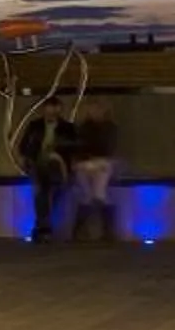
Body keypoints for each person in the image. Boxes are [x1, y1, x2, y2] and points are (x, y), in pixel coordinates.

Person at [18, 97, 71, 243]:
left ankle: (41, 227)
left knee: (49, 190)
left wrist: (59, 156)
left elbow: (72, 148)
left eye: (55, 110)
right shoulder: (34, 126)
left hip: (57, 165)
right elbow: (23, 146)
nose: (52, 113)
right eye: (49, 109)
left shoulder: (67, 128)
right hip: (37, 162)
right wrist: (25, 157)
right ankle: (44, 227)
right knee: (41, 189)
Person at [68, 110, 119, 243]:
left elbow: (107, 147)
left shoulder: (109, 128)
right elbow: (78, 146)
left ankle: (105, 230)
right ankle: (81, 231)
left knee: (98, 195)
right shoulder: (83, 128)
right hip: (86, 163)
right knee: (88, 195)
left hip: (101, 162)